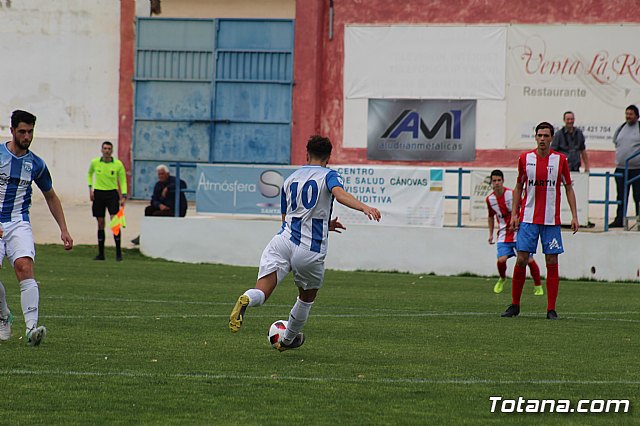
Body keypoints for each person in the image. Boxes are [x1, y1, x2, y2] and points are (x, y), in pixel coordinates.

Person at [228, 135, 381, 351]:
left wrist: (325, 224)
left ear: (306, 154)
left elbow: (290, 217)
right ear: (329, 157)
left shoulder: (290, 179)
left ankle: (247, 298)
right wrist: (364, 207)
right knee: (306, 297)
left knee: (262, 292)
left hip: (282, 241)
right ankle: (288, 340)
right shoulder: (329, 175)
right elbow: (339, 194)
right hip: (309, 248)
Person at [0, 110, 74, 346]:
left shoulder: (36, 164)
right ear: (11, 131)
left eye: (30, 131)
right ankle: (3, 316)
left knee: (24, 267)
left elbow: (51, 196)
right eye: (22, 131)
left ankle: (32, 330)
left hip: (18, 221)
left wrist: (63, 229)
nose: (27, 136)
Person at [501, 122, 578, 320]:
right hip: (528, 218)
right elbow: (518, 186)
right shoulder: (525, 159)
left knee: (552, 260)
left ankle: (551, 309)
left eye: (546, 135)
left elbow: (568, 187)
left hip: (551, 220)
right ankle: (515, 305)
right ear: (535, 137)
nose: (542, 139)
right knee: (521, 259)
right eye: (539, 135)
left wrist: (574, 216)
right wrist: (515, 214)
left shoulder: (560, 160)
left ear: (552, 138)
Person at [486, 169, 543, 296]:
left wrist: (519, 220)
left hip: (518, 231)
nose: (497, 183)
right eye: (494, 181)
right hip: (503, 233)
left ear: (503, 181)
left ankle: (538, 285)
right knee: (501, 260)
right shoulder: (490, 199)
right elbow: (490, 217)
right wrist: (490, 234)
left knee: (528, 260)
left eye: (499, 180)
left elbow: (524, 207)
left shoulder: (511, 194)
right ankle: (502, 278)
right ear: (491, 182)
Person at [87, 141, 127, 260]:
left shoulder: (118, 164)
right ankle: (101, 254)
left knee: (115, 222)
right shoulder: (95, 162)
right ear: (101, 150)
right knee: (100, 223)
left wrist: (124, 195)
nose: (107, 150)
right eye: (105, 148)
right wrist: (90, 189)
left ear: (112, 150)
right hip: (99, 193)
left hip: (112, 194)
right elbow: (89, 174)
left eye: (109, 148)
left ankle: (118, 253)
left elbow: (123, 180)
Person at [131, 164, 187, 245]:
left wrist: (168, 188)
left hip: (176, 209)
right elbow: (154, 200)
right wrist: (159, 205)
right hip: (164, 208)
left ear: (167, 174)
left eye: (162, 174)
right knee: (149, 209)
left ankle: (151, 236)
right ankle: (145, 234)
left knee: (156, 215)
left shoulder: (174, 180)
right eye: (159, 174)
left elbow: (183, 184)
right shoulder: (158, 185)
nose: (160, 176)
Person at [609, 104, 640, 228]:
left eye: (631, 114)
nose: (628, 116)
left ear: (637, 116)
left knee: (638, 195)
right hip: (621, 168)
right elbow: (616, 143)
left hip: (637, 169)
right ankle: (619, 219)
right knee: (621, 195)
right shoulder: (621, 127)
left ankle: (639, 219)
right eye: (627, 114)